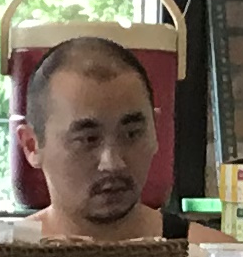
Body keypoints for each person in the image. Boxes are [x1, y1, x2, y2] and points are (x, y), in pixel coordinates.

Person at [22, 33, 168, 241]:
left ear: (155, 130)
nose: (113, 163)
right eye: (88, 139)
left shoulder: (206, 255)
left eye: (131, 134)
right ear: (32, 145)